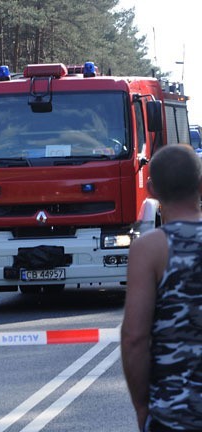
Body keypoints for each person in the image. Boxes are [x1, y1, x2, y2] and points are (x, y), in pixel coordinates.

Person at [121, 144, 202, 432]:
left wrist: (143, 407)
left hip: (174, 415)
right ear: (201, 185)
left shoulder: (149, 249)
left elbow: (134, 338)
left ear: (152, 189)